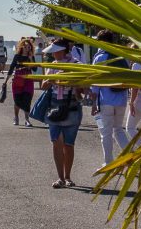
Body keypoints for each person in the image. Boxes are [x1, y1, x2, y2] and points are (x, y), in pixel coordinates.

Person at [42, 40, 84, 187]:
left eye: (56, 51)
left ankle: (68, 177)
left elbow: (83, 86)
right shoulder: (53, 65)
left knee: (68, 145)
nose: (53, 53)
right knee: (56, 142)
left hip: (71, 107)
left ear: (63, 50)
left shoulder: (77, 65)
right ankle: (60, 178)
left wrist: (69, 80)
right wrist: (52, 79)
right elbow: (43, 85)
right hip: (54, 107)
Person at [90, 29, 130, 167]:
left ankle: (108, 162)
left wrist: (94, 103)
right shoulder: (121, 56)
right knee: (118, 129)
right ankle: (129, 156)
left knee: (105, 133)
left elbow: (95, 82)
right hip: (122, 99)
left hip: (105, 100)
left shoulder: (99, 57)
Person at [5, 37, 36, 126]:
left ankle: (27, 119)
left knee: (27, 99)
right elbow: (11, 68)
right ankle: (16, 117)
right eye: (26, 46)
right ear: (22, 47)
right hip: (18, 78)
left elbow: (35, 69)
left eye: (29, 47)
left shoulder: (31, 57)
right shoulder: (17, 56)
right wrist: (6, 80)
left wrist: (30, 59)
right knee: (17, 100)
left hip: (28, 79)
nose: (28, 48)